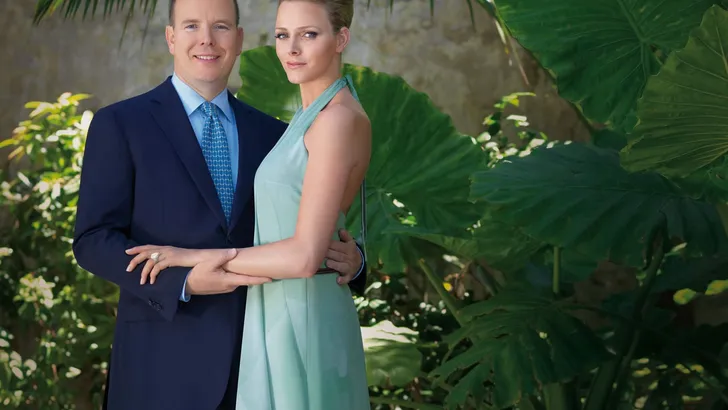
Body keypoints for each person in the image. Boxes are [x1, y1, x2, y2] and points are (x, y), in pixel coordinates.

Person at [71, 0, 368, 408]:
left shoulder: (275, 135)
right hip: (160, 365)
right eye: (191, 26)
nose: (207, 39)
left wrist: (355, 261)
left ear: (240, 39)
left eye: (222, 27)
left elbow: (304, 231)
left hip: (262, 359)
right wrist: (184, 281)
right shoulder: (120, 124)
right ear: (171, 37)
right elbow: (92, 240)